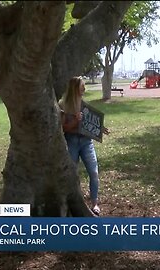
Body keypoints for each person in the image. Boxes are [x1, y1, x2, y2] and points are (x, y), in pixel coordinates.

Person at [59, 76, 109, 215]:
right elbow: (64, 128)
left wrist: (101, 128)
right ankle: (74, 201)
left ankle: (95, 203)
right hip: (72, 142)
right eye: (82, 86)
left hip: (87, 142)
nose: (84, 88)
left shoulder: (83, 104)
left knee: (93, 172)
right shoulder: (63, 105)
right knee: (73, 174)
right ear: (75, 88)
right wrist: (75, 121)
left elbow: (90, 123)